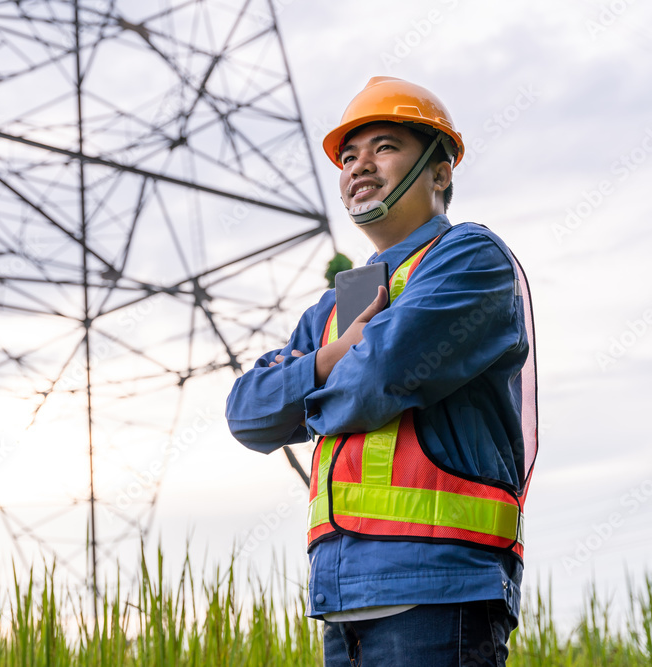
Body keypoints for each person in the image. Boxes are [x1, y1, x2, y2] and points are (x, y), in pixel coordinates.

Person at [225, 76, 537, 666]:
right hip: (341, 602)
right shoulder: (336, 309)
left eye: (384, 147)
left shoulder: (470, 259)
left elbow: (380, 379)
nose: (359, 165)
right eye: (348, 156)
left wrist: (307, 388)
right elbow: (247, 414)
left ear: (440, 172)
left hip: (441, 589)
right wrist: (331, 358)